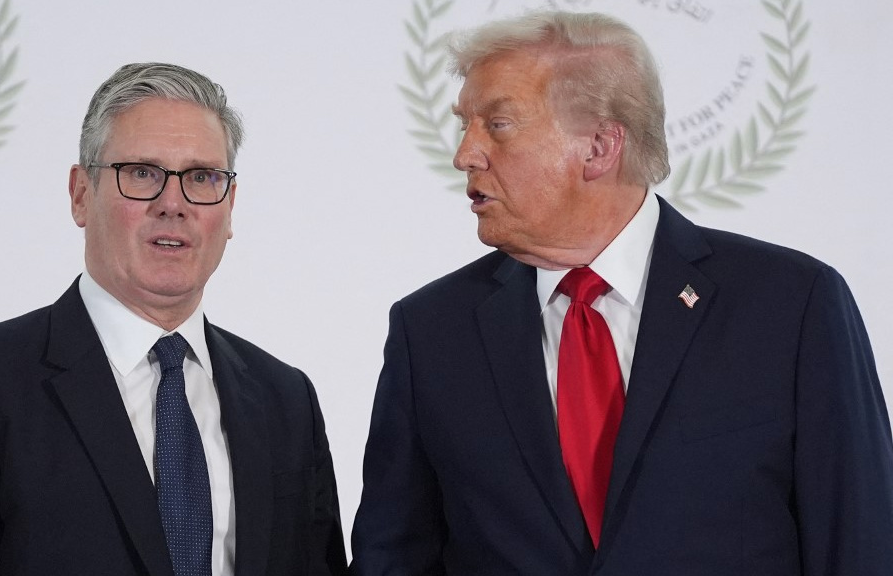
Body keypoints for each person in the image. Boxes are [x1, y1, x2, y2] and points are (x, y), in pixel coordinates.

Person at [350, 10, 893, 575]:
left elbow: (858, 542)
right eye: (465, 124)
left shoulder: (791, 305)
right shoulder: (432, 330)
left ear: (600, 146)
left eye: (499, 124)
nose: (465, 154)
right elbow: (393, 556)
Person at [0, 62, 346, 576]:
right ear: (81, 194)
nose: (173, 203)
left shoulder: (286, 401)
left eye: (201, 177)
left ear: (229, 206)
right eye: (142, 173)